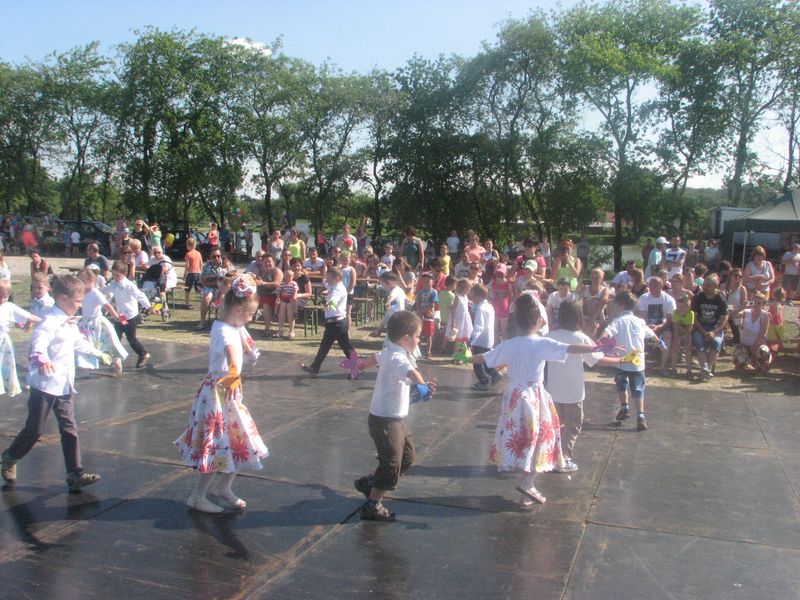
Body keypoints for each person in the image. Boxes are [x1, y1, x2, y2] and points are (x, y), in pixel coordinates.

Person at [474, 294, 597, 506]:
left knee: (521, 437)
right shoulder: (542, 343)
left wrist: (465, 356)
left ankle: (526, 487)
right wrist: (598, 348)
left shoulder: (510, 344)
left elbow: (485, 359)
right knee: (541, 438)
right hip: (533, 396)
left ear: (515, 321)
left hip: (513, 396)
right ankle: (528, 482)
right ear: (540, 321)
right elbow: (571, 349)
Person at [1, 275, 103, 491]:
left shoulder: (69, 322)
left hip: (64, 385)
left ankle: (75, 473)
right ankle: (10, 457)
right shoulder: (51, 320)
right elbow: (40, 339)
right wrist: (42, 358)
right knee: (35, 429)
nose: (79, 306)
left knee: (69, 428)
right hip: (44, 386)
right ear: (63, 299)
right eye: (77, 302)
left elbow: (77, 342)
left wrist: (96, 351)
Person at [175, 274, 267, 513]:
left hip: (228, 393)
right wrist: (235, 370)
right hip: (219, 394)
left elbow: (244, 341)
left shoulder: (231, 325)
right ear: (238, 310)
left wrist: (248, 351)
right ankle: (197, 496)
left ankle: (223, 487)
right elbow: (231, 353)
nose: (249, 319)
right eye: (248, 315)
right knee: (218, 445)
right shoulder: (225, 331)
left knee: (240, 441)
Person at [353, 310, 436, 521]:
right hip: (385, 421)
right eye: (418, 336)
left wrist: (361, 365)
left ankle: (371, 483)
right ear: (406, 338)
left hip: (394, 419)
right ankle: (373, 504)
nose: (420, 340)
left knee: (406, 458)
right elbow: (410, 372)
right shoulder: (398, 357)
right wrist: (422, 386)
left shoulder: (391, 350)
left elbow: (376, 358)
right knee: (391, 464)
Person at [546, 301, 613, 473]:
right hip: (573, 392)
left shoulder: (550, 336)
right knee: (573, 425)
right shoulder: (580, 337)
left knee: (555, 425)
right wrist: (621, 360)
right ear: (578, 317)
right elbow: (597, 359)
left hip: (553, 390)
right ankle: (564, 458)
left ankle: (550, 456)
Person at [600, 291, 657, 431]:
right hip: (637, 361)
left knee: (621, 384)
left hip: (622, 360)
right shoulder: (640, 321)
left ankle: (624, 407)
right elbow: (652, 334)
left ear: (620, 306)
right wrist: (659, 343)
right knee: (638, 390)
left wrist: (603, 344)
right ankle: (640, 416)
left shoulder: (618, 321)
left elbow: (605, 334)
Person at [301, 267, 355, 376]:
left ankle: (356, 367)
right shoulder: (335, 285)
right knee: (340, 346)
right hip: (337, 323)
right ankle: (315, 367)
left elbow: (334, 300)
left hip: (336, 323)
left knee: (339, 347)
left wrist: (329, 306)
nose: (327, 280)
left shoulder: (337, 290)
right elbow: (327, 285)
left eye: (329, 279)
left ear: (337, 278)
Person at [103, 259, 154, 369]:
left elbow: (140, 295)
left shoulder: (129, 285)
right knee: (115, 337)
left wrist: (148, 306)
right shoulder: (114, 284)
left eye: (117, 275)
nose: (115, 277)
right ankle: (116, 359)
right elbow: (104, 291)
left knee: (131, 339)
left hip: (130, 317)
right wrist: (91, 292)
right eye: (113, 275)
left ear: (124, 274)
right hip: (120, 316)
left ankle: (143, 354)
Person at [76, 268, 127, 374]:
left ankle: (116, 360)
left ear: (91, 281)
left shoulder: (95, 293)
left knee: (105, 344)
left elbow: (107, 305)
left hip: (96, 324)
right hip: (85, 323)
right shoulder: (82, 293)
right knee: (85, 344)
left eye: (82, 282)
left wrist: (116, 316)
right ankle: (85, 366)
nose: (80, 285)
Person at [0, 279, 40, 396]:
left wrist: (51, 321)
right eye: (0, 296)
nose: (2, 300)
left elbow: (30, 316)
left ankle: (7, 386)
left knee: (6, 366)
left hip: (3, 342)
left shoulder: (8, 307)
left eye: (5, 297)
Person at [691, 273, 728, 381]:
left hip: (714, 328)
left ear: (715, 286)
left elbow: (724, 318)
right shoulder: (698, 297)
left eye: (708, 285)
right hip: (700, 327)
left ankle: (708, 369)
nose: (705, 287)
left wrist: (714, 332)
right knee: (699, 343)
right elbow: (694, 317)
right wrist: (703, 332)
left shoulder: (720, 298)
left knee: (716, 343)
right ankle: (705, 368)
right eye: (704, 284)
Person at [636, 276, 676, 376]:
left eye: (655, 286)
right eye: (650, 285)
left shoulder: (669, 300)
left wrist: (659, 327)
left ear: (661, 286)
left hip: (663, 326)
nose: (652, 288)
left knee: (667, 337)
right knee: (636, 336)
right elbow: (641, 316)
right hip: (646, 326)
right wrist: (647, 327)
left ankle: (663, 367)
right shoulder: (643, 298)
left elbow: (669, 319)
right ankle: (637, 365)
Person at [468, 283, 498, 390]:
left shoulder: (480, 308)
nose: (472, 298)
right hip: (488, 339)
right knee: (486, 360)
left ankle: (483, 381)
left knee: (477, 362)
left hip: (480, 340)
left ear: (479, 295)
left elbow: (478, 327)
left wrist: (471, 340)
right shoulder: (489, 306)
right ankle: (495, 374)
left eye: (473, 296)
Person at [734, 292, 772, 373]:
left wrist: (754, 347)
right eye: (755, 302)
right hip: (744, 344)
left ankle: (759, 364)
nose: (756, 304)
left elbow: (762, 333)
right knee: (739, 352)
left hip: (757, 344)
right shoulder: (746, 312)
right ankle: (748, 365)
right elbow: (733, 315)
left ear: (763, 304)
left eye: (759, 303)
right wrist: (742, 307)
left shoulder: (765, 315)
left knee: (764, 351)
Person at [370, 271, 407, 337]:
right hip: (395, 314)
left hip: (396, 317)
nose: (384, 287)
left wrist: (388, 302)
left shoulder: (395, 291)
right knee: (386, 318)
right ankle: (378, 331)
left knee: (392, 335)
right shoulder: (400, 290)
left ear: (389, 283)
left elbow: (391, 296)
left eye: (384, 285)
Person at [254, 253, 283, 337]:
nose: (267, 263)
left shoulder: (277, 271)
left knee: (266, 305)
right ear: (262, 262)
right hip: (260, 295)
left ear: (273, 262)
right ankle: (245, 326)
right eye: (265, 262)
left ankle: (267, 328)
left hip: (274, 296)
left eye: (269, 261)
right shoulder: (260, 271)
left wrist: (262, 283)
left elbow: (276, 284)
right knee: (248, 301)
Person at [198, 249, 226, 329]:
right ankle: (202, 322)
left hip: (223, 289)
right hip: (210, 288)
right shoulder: (207, 266)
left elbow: (233, 276)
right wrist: (217, 278)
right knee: (207, 298)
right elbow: (203, 281)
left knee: (224, 297)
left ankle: (222, 321)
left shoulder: (226, 264)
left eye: (218, 256)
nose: (216, 258)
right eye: (214, 256)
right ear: (210, 257)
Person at [669, 294, 695, 377]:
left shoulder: (691, 314)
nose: (679, 309)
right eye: (678, 307)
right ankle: (673, 369)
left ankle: (689, 370)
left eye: (682, 308)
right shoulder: (675, 313)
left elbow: (688, 330)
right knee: (674, 349)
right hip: (678, 333)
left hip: (687, 333)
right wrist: (676, 342)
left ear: (688, 308)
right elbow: (676, 329)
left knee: (688, 350)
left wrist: (687, 343)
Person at [447, 278, 473, 361]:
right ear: (465, 288)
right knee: (458, 339)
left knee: (463, 339)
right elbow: (453, 310)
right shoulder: (457, 297)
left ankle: (462, 355)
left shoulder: (465, 297)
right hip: (459, 320)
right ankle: (456, 356)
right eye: (469, 288)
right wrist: (453, 320)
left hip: (465, 321)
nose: (470, 290)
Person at [414, 272, 439, 359]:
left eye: (428, 281)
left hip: (429, 315)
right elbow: (418, 302)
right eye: (424, 281)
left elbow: (432, 304)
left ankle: (428, 352)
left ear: (432, 282)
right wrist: (419, 311)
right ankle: (418, 351)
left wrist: (424, 311)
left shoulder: (434, 292)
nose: (426, 283)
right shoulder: (420, 292)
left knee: (429, 335)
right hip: (420, 314)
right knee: (419, 333)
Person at [581, 268, 611, 337]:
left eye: (597, 278)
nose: (594, 280)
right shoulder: (584, 288)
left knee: (591, 330)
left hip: (598, 319)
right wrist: (583, 317)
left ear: (602, 279)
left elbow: (603, 302)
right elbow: (576, 301)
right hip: (585, 318)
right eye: (592, 277)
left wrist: (592, 319)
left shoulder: (605, 290)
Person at [721, 268, 746, 345]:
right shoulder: (723, 286)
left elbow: (743, 305)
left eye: (740, 276)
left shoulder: (742, 289)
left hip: (736, 312)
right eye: (736, 275)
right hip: (724, 311)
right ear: (731, 275)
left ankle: (737, 343)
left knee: (735, 323)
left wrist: (734, 312)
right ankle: (722, 345)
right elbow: (719, 301)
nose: (737, 277)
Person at [488, 262, 512, 341]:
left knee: (504, 330)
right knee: (495, 330)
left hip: (504, 309)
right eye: (497, 273)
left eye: (500, 273)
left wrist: (510, 307)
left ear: (504, 273)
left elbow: (511, 297)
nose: (498, 275)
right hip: (495, 308)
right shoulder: (493, 283)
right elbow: (487, 289)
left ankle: (505, 347)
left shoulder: (508, 283)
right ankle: (495, 346)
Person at [276, 265, 299, 339]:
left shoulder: (294, 283)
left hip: (291, 299)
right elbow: (279, 290)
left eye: (289, 276)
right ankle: (280, 330)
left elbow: (295, 291)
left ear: (292, 277)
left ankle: (291, 330)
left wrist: (294, 296)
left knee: (290, 306)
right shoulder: (282, 283)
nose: (287, 278)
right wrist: (278, 297)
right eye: (285, 276)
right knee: (282, 305)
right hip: (284, 298)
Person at [183, 237, 203, 309]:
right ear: (195, 245)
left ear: (188, 246)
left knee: (187, 289)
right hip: (198, 273)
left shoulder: (188, 254)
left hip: (191, 273)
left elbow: (187, 265)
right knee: (200, 289)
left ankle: (187, 303)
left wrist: (185, 274)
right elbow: (201, 264)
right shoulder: (199, 253)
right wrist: (201, 272)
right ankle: (203, 302)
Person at [340, 251, 357, 331]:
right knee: (340, 312)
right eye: (343, 259)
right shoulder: (338, 269)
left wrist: (347, 292)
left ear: (349, 260)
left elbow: (353, 283)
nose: (345, 261)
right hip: (339, 293)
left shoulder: (351, 269)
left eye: (347, 260)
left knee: (347, 313)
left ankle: (347, 331)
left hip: (348, 293)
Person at [766, 288, 786, 354]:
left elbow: (776, 313)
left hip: (774, 323)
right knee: (778, 337)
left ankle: (774, 349)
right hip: (778, 322)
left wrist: (770, 317)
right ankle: (777, 348)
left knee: (773, 337)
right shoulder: (777, 303)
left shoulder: (775, 303)